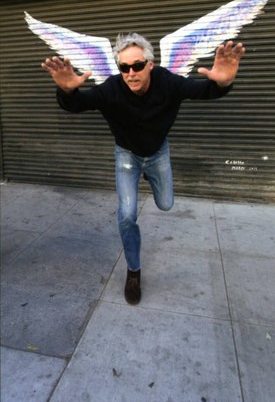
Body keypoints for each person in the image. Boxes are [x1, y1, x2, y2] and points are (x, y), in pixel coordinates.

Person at [42, 33, 245, 305]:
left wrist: (223, 82)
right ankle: (134, 271)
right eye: (124, 67)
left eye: (137, 65)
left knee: (166, 204)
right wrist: (68, 90)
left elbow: (202, 91)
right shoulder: (112, 89)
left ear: (150, 64)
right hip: (127, 155)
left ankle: (150, 174)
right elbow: (79, 103)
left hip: (158, 153)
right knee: (127, 215)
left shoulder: (167, 82)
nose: (131, 73)